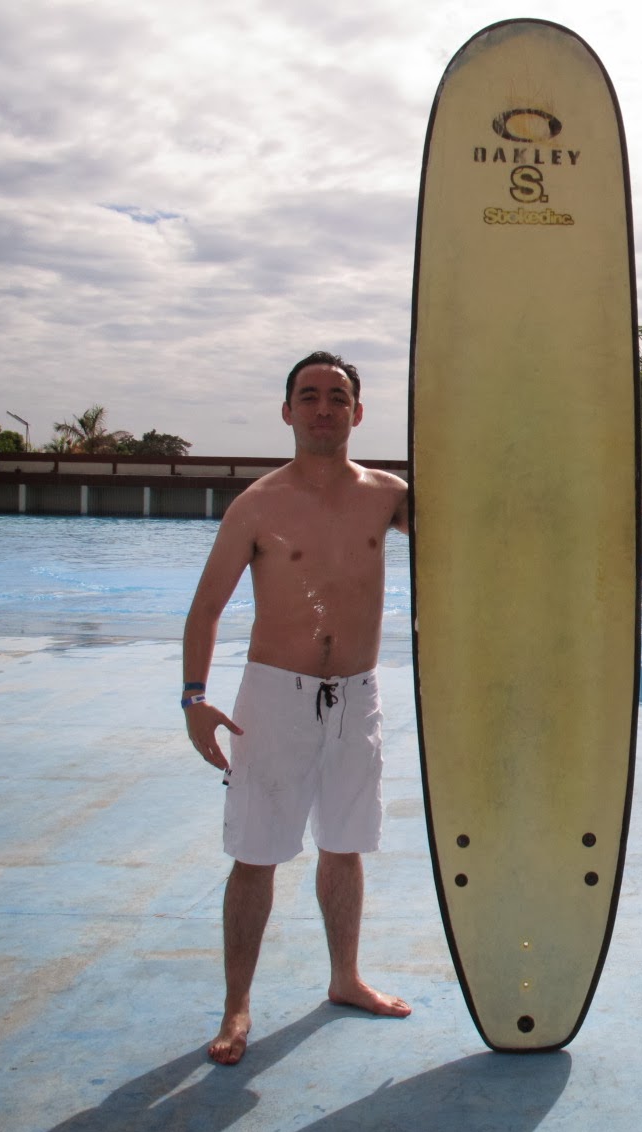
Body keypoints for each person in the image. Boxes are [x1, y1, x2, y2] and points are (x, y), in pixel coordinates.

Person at [182, 350, 412, 1065]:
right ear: (287, 412)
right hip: (274, 699)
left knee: (344, 847)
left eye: (337, 397)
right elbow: (207, 607)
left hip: (358, 695)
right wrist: (194, 697)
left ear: (358, 412)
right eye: (309, 396)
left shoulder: (390, 495)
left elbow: (473, 547)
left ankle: (345, 978)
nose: (323, 409)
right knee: (257, 856)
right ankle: (237, 1006)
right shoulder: (258, 505)